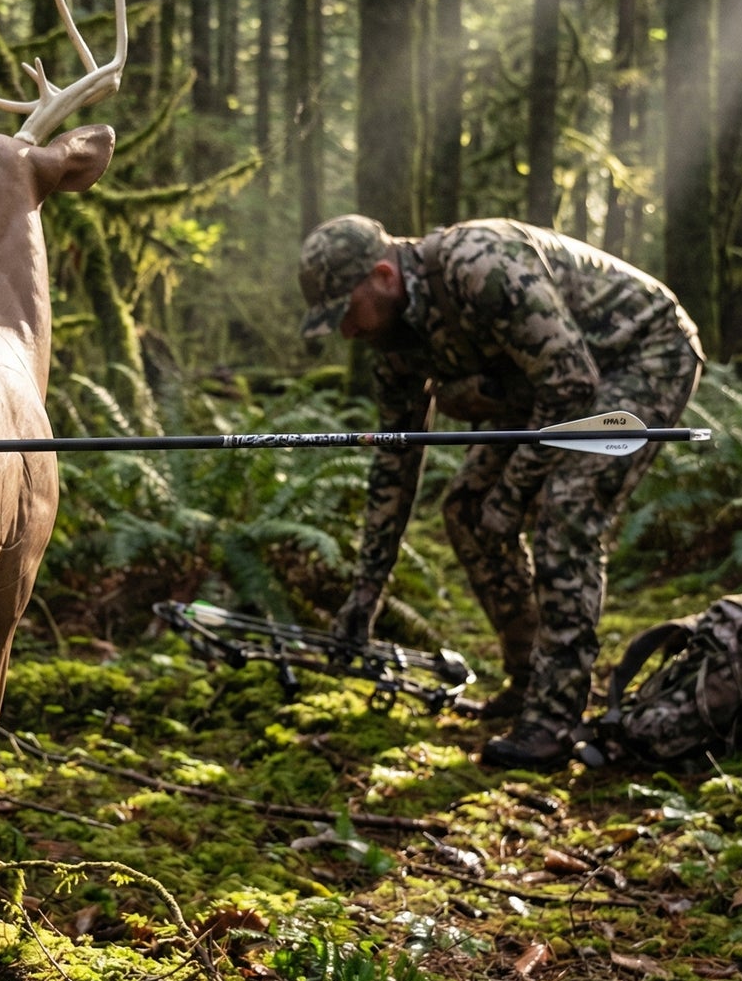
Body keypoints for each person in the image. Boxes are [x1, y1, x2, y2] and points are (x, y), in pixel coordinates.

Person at [298, 215, 705, 768]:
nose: (347, 331)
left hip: (641, 353)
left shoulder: (480, 264)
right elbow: (396, 459)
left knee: (567, 509)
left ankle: (556, 717)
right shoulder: (393, 342)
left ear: (382, 274)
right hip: (545, 386)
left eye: (345, 312)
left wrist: (511, 497)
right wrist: (365, 594)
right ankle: (529, 676)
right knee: (467, 510)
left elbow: (572, 384)